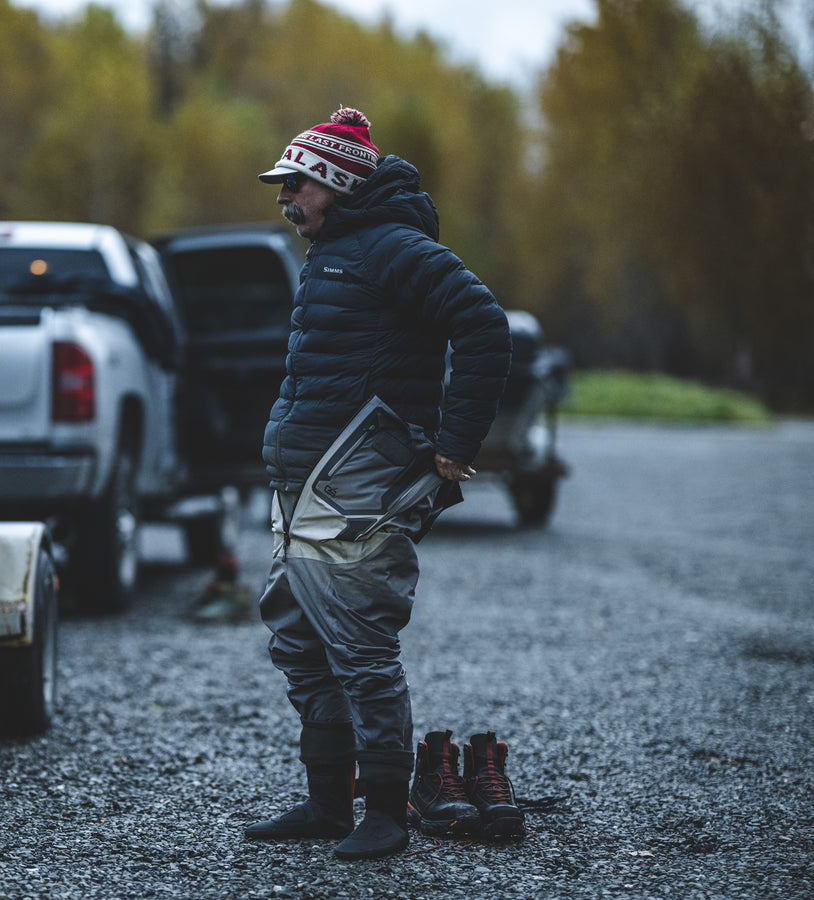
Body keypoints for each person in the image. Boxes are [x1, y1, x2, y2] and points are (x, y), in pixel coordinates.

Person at [243, 107, 516, 860]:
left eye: (295, 183)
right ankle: (329, 805)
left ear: (336, 184)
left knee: (361, 651)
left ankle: (387, 815)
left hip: (358, 488)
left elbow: (484, 325)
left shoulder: (394, 247)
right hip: (305, 492)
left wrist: (455, 447)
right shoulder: (333, 251)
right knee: (301, 644)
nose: (284, 197)